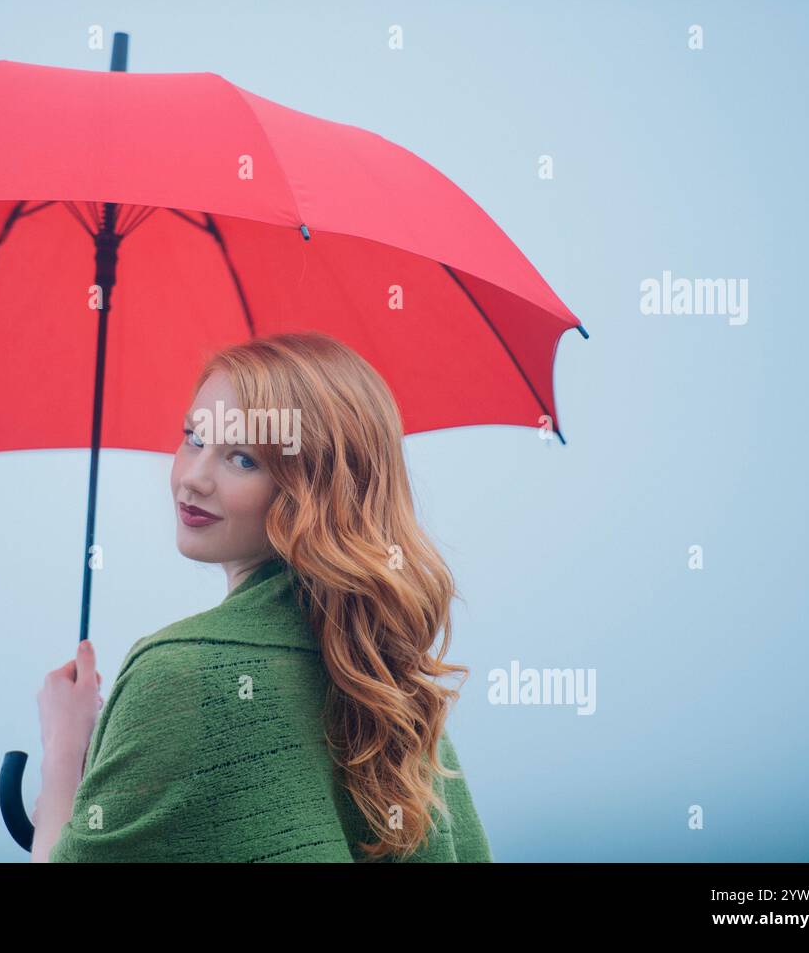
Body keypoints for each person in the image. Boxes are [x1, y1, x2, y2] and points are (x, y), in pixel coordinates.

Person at [30, 332, 492, 862]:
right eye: (194, 437)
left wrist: (63, 758)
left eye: (244, 459)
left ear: (314, 488)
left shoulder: (177, 675)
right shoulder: (389, 685)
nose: (194, 478)